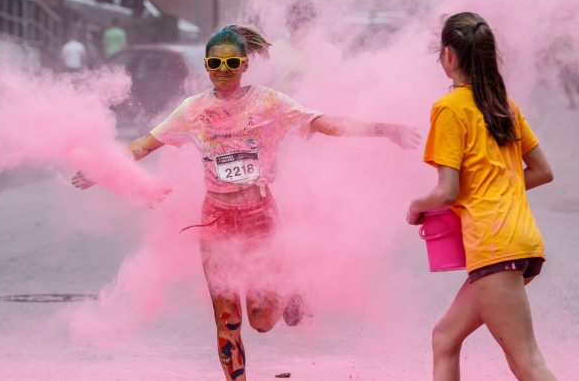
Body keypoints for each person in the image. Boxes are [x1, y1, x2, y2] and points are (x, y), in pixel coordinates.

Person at [73, 24, 420, 381]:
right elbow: (143, 145)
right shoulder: (192, 110)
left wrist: (385, 129)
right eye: (215, 63)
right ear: (206, 66)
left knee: (261, 318)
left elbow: (324, 123)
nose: (223, 70)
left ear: (244, 65)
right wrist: (102, 168)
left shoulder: (270, 103)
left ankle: (289, 288)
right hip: (216, 221)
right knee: (227, 318)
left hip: (260, 218)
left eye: (232, 63)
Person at [406, 12, 556, 381]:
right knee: (444, 338)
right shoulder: (503, 103)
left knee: (527, 362)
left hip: (494, 247)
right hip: (522, 242)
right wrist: (496, 187)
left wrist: (416, 206)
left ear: (449, 55)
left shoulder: (449, 108)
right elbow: (542, 171)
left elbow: (447, 191)